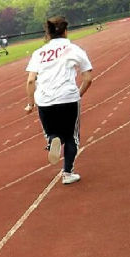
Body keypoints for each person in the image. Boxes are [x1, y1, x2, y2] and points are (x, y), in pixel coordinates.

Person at [23, 15, 94, 186]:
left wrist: (30, 104)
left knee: (51, 132)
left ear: (48, 34)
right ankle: (67, 173)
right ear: (65, 31)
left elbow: (31, 81)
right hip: (68, 97)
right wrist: (78, 94)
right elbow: (88, 78)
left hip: (44, 100)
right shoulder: (74, 49)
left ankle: (53, 139)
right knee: (71, 137)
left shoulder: (39, 53)